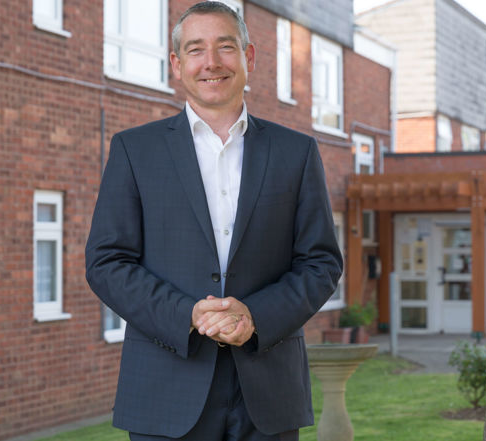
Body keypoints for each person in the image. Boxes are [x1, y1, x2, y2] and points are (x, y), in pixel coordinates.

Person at [85, 2, 343, 440]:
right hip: (165, 387)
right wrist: (188, 315)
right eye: (196, 49)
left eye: (226, 47)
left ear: (249, 57)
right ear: (177, 64)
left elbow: (321, 263)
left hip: (268, 390)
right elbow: (107, 262)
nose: (211, 63)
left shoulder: (296, 153)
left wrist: (255, 316)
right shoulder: (135, 151)